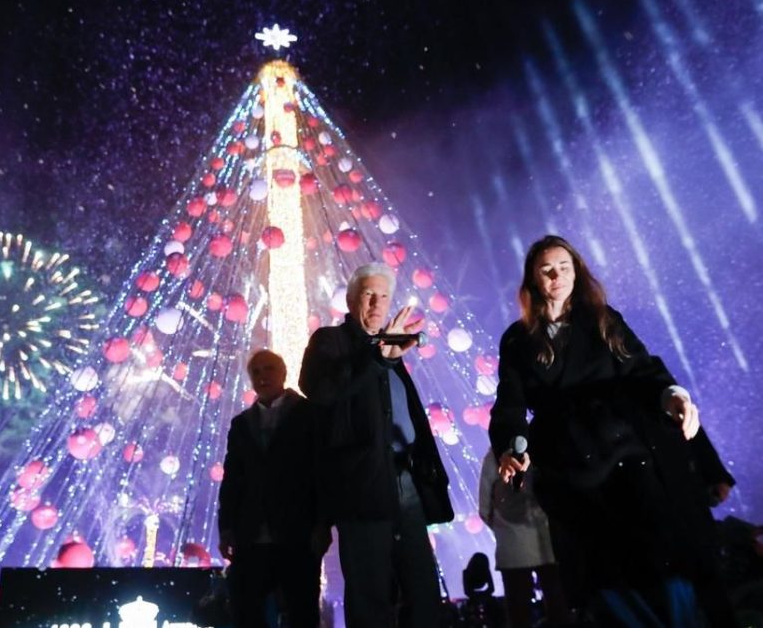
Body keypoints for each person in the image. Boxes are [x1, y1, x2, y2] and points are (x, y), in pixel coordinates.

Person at [488, 234, 736, 626]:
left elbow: (643, 369)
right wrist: (512, 446)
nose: (557, 276)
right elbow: (511, 404)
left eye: (564, 267)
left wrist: (672, 395)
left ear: (577, 272)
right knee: (600, 574)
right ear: (534, 279)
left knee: (657, 558)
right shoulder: (518, 340)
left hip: (624, 457)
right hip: (567, 469)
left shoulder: (603, 320)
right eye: (547, 269)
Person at [299, 262, 454, 628]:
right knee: (370, 595)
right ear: (351, 300)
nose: (376, 303)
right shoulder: (331, 341)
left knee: (423, 592)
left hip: (406, 483)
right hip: (361, 486)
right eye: (368, 294)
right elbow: (320, 390)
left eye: (383, 296)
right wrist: (375, 359)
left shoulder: (389, 348)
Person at [217, 349, 329, 628]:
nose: (262, 376)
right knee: (246, 611)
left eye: (268, 369)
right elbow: (233, 479)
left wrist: (323, 523)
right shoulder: (241, 424)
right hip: (251, 534)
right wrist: (227, 527)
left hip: (297, 532)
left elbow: (321, 472)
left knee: (302, 610)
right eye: (256, 371)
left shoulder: (308, 415)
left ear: (282, 373)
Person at [478, 448, 570, 627]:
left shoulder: (493, 456)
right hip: (546, 538)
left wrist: (501, 527)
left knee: (519, 611)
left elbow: (484, 507)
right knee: (558, 602)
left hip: (512, 543)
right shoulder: (539, 445)